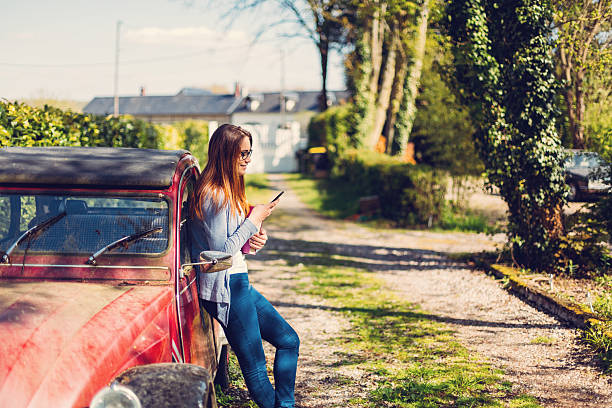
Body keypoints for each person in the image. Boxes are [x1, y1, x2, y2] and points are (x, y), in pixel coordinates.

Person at [189, 124, 300, 408]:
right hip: (226, 288)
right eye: (242, 154)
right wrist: (254, 220)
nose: (247, 159)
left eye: (250, 153)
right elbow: (218, 253)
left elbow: (234, 244)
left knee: (289, 340)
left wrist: (253, 239)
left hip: (238, 282)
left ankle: (285, 405)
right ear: (226, 153)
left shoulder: (229, 190)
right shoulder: (213, 194)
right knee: (255, 368)